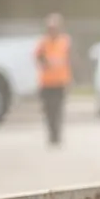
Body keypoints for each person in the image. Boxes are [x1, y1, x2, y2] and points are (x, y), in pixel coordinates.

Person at [34, 13, 72, 146]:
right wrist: (46, 63)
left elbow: (69, 60)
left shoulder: (65, 41)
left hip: (60, 82)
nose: (52, 30)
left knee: (58, 110)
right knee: (48, 110)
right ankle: (51, 135)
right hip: (46, 82)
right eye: (50, 28)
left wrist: (70, 79)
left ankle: (57, 135)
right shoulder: (43, 43)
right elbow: (37, 57)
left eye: (55, 28)